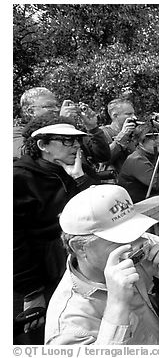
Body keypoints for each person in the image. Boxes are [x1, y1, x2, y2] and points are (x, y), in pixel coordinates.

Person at [44, 184, 159, 344]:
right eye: (120, 238)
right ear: (80, 248)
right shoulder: (68, 323)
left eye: (136, 231)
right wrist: (116, 307)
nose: (137, 244)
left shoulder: (144, 246)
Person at [13, 117, 96, 344]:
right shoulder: (18, 178)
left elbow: (100, 209)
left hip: (76, 274)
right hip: (39, 281)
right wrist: (31, 292)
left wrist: (79, 178)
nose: (76, 146)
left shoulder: (77, 171)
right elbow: (13, 243)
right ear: (42, 145)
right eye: (67, 141)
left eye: (77, 141)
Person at [15, 88, 111, 179]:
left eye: (57, 105)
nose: (56, 109)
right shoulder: (16, 133)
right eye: (49, 106)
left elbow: (102, 156)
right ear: (31, 111)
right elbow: (27, 155)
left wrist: (93, 128)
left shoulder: (71, 130)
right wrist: (59, 126)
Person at [99, 98, 139, 173]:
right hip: (114, 182)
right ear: (115, 116)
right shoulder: (102, 133)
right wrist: (123, 136)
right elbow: (104, 159)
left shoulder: (134, 134)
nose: (134, 117)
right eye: (129, 114)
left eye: (133, 114)